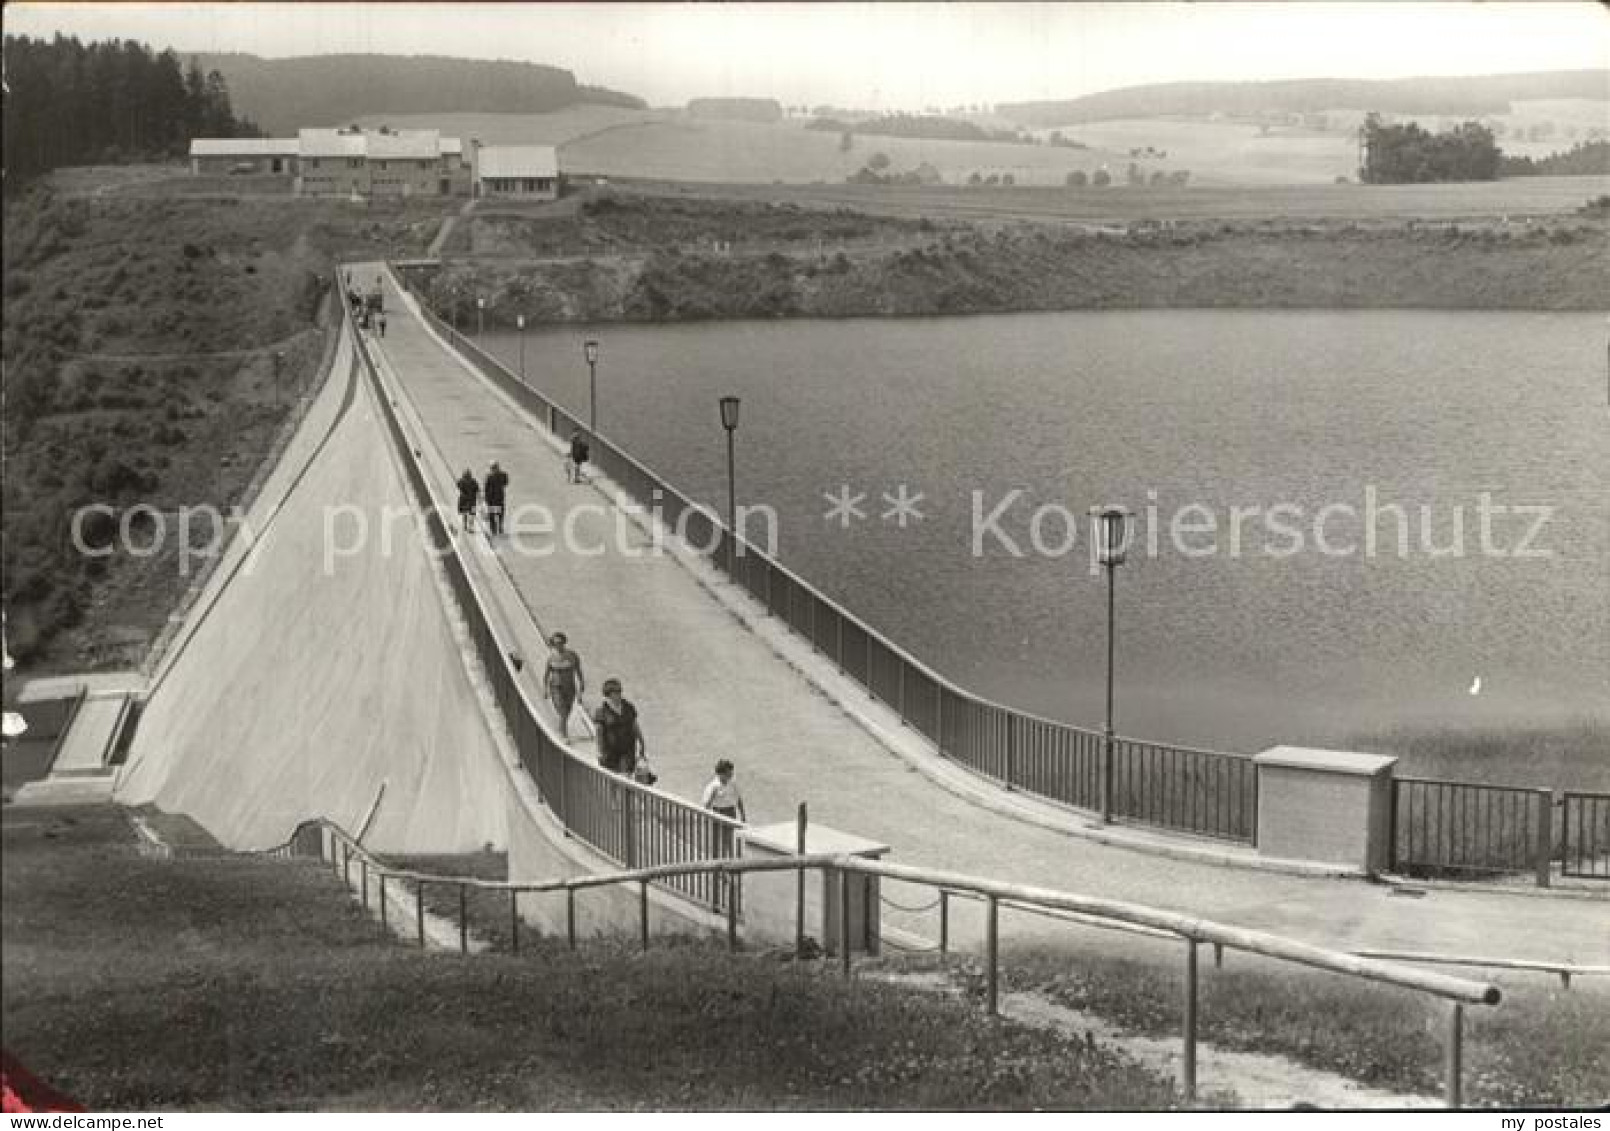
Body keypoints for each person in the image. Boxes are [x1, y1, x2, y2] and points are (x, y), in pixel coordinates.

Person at [592, 678, 644, 776]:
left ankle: (624, 790)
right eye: (615, 692)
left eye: (620, 691)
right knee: (613, 780)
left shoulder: (628, 707)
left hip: (627, 749)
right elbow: (599, 733)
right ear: (608, 694)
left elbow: (635, 726)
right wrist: (599, 751)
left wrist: (642, 743)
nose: (619, 694)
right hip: (609, 752)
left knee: (625, 776)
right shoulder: (601, 712)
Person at [542, 632, 585, 740]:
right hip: (556, 688)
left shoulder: (572, 655)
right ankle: (564, 735)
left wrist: (580, 692)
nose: (558, 645)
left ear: (564, 642)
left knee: (567, 711)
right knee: (563, 711)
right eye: (555, 643)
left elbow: (579, 673)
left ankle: (561, 728)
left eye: (560, 643)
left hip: (570, 688)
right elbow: (546, 675)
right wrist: (545, 689)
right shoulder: (551, 658)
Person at [483, 460, 509, 535]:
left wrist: (485, 497)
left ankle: (493, 529)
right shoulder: (503, 474)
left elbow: (486, 487)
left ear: (491, 468)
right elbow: (506, 483)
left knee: (491, 513)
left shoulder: (488, 476)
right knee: (500, 512)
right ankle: (500, 526)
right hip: (500, 496)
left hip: (491, 497)